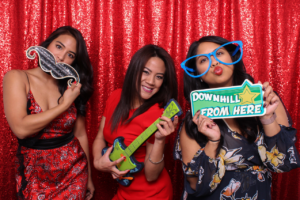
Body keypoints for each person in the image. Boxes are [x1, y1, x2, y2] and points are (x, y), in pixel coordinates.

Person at [174, 36, 300, 200]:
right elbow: (194, 184)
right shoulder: (195, 121)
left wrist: (268, 119)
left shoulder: (266, 100)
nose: (214, 62)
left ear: (233, 59)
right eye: (204, 60)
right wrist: (213, 142)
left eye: (219, 53)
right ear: (198, 74)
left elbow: (283, 164)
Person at [3, 26, 95, 199]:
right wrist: (64, 105)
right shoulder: (17, 78)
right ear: (46, 45)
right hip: (35, 176)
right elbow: (21, 129)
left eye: (70, 55)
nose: (60, 56)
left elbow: (81, 134)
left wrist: (89, 177)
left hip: (74, 173)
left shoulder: (70, 87)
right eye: (59, 46)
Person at [93, 44, 178, 200]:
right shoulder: (115, 96)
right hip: (123, 191)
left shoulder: (158, 114)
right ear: (134, 70)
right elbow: (100, 136)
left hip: (152, 195)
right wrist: (99, 163)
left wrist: (160, 140)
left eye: (159, 77)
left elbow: (152, 176)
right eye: (146, 72)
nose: (151, 81)